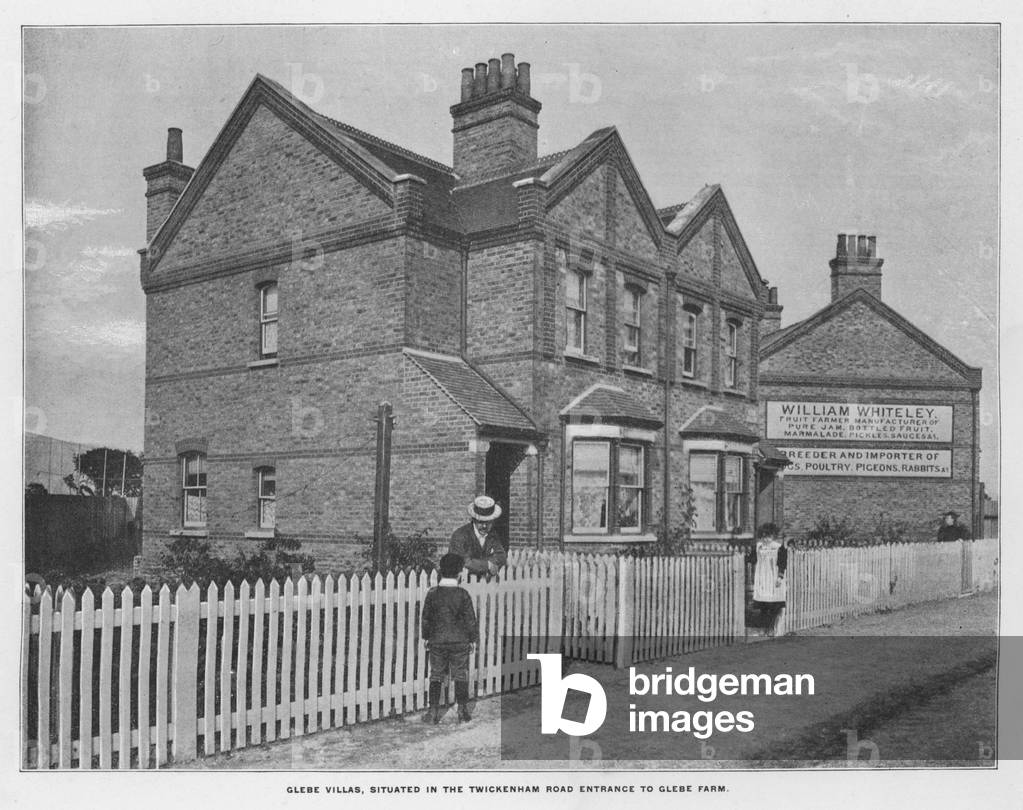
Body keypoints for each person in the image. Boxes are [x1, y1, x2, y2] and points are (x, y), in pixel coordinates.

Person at [420, 552, 479, 724]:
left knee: (436, 674)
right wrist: (472, 639)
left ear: (441, 571)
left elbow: (426, 617)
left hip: (437, 640)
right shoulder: (463, 594)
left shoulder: (432, 593)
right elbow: (470, 619)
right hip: (460, 641)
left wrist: (426, 636)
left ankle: (432, 713)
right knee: (461, 674)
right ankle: (462, 711)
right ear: (460, 573)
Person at [448, 495, 508, 576]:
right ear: (474, 519)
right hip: (462, 581)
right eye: (481, 522)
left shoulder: (492, 535)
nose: (484, 526)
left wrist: (475, 563)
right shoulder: (460, 535)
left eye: (488, 522)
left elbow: (501, 557)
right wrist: (488, 565)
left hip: (486, 582)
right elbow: (462, 561)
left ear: (493, 521)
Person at [751, 523, 788, 637]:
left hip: (773, 578)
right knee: (763, 606)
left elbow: (782, 563)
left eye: (768, 536)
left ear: (773, 536)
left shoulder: (778, 547)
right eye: (763, 536)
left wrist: (780, 577)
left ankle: (772, 629)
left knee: (773, 606)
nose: (766, 539)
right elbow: (752, 559)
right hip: (762, 578)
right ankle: (763, 629)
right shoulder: (759, 546)